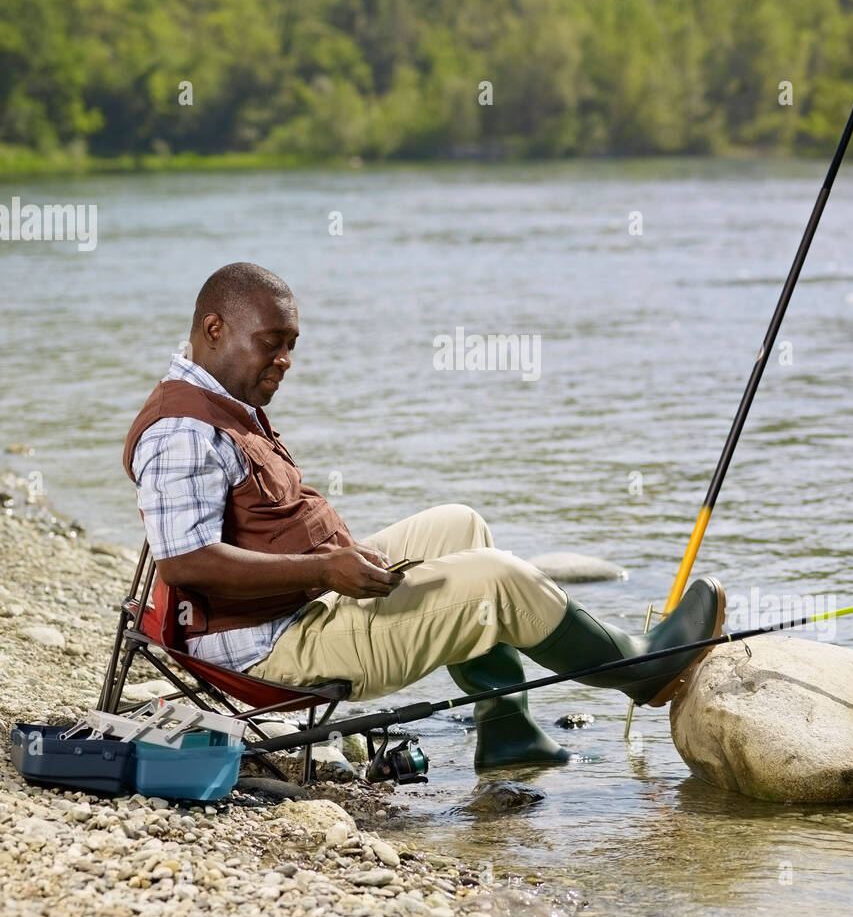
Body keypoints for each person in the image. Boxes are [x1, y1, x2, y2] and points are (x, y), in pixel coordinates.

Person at [123, 262, 725, 771]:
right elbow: (186, 562)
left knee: (459, 525)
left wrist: (325, 570)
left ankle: (507, 731)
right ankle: (638, 668)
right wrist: (328, 571)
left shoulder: (221, 401)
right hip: (267, 649)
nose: (284, 360)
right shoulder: (185, 431)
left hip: (296, 605)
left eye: (292, 345)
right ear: (214, 328)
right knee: (498, 579)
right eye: (271, 343)